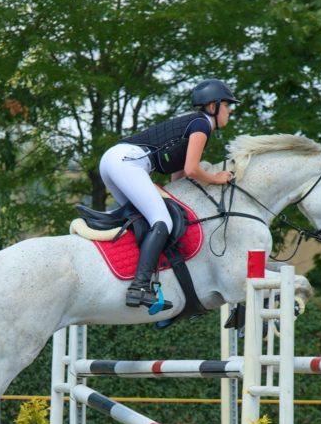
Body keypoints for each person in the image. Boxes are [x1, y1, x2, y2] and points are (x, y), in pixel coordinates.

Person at [98, 79, 239, 308]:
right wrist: (217, 178)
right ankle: (139, 287)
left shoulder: (191, 124)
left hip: (112, 161)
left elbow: (179, 176)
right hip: (127, 162)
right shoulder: (201, 125)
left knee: (142, 221)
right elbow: (192, 169)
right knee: (162, 220)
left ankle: (135, 276)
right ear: (213, 106)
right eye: (227, 105)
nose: (230, 110)